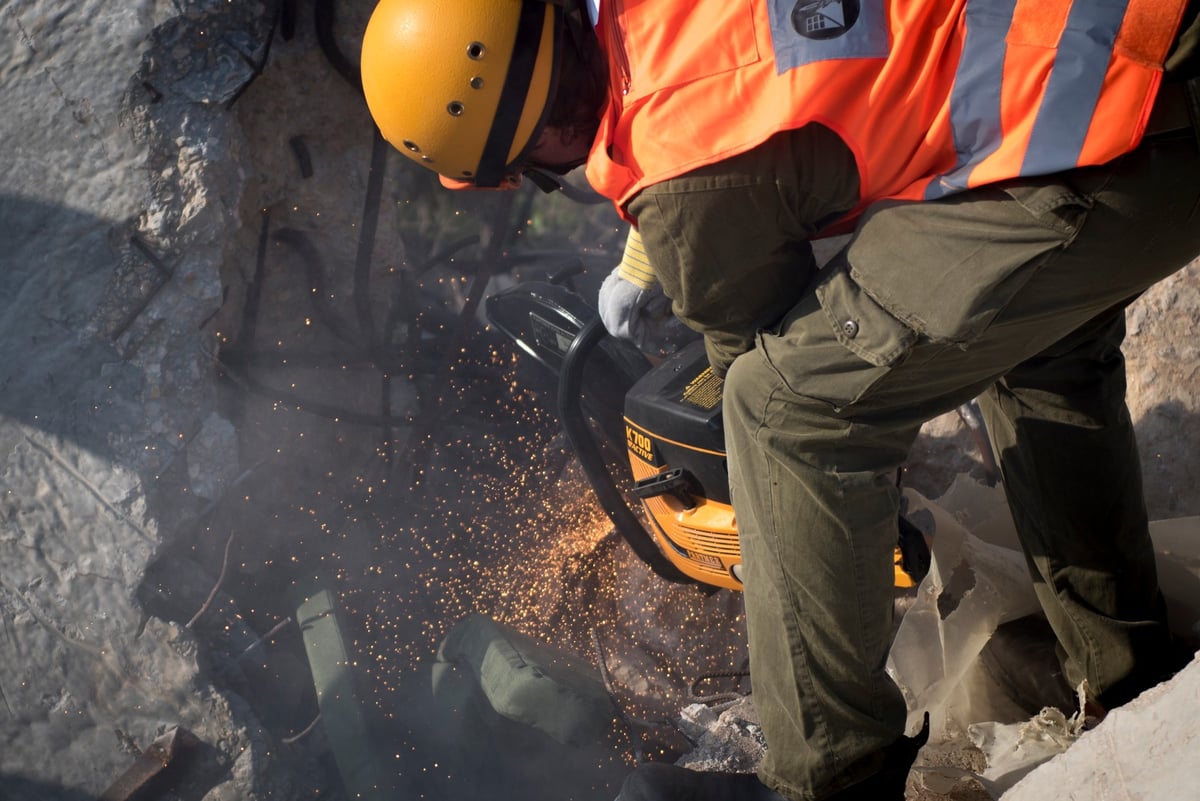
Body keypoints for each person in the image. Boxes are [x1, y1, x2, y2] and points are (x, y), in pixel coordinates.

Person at [359, 1, 1200, 799]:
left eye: (531, 169)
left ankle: (829, 774)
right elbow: (757, 88)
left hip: (1129, 125)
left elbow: (763, 375)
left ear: (534, 135)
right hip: (1127, 58)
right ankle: (1123, 670)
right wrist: (654, 253)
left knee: (784, 410)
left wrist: (792, 526)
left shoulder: (683, 169)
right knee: (1036, 344)